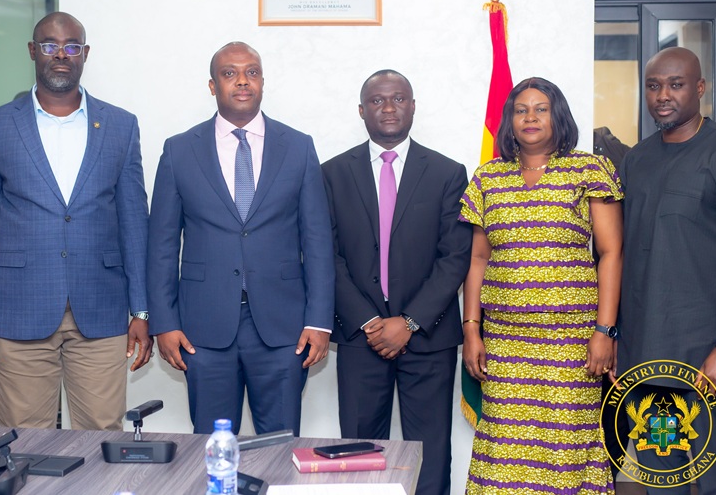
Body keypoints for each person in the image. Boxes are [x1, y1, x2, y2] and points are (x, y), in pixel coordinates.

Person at [0, 11, 152, 431]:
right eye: (50, 45)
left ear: (85, 54)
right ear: (33, 51)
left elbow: (135, 225)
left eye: (71, 46)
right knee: (25, 441)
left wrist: (141, 309)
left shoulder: (120, 126)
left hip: (100, 309)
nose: (61, 54)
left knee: (101, 435)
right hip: (18, 311)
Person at [147, 41, 334, 435]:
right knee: (213, 447)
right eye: (230, 73)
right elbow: (162, 245)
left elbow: (317, 241)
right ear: (212, 86)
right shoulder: (179, 150)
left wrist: (319, 321)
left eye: (252, 72)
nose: (242, 81)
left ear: (263, 81)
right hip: (202, 328)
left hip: (284, 329)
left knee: (279, 446)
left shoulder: (298, 147)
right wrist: (164, 322)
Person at [460, 78, 621, 495]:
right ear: (509, 121)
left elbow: (610, 253)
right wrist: (471, 329)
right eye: (521, 110)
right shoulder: (488, 177)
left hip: (570, 345)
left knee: (565, 452)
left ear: (558, 116)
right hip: (505, 344)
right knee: (504, 455)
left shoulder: (588, 170)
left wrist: (604, 331)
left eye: (541, 109)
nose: (530, 117)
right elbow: (477, 259)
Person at [322, 70, 471, 495]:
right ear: (361, 110)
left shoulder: (447, 172)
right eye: (377, 100)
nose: (388, 107)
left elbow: (455, 257)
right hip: (360, 337)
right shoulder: (331, 173)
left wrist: (408, 322)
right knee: (357, 453)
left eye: (399, 98)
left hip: (428, 337)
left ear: (413, 106)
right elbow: (324, 255)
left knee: (430, 453)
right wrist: (369, 321)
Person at [617, 47, 716, 494]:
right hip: (647, 358)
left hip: (704, 358)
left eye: (676, 84)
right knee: (661, 473)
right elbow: (624, 257)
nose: (662, 95)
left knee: (713, 476)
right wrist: (618, 343)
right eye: (653, 86)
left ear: (700, 88)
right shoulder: (636, 160)